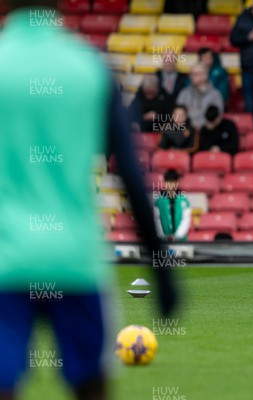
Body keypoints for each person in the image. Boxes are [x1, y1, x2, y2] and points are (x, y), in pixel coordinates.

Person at [0, 1, 177, 399]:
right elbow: (130, 174)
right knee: (91, 386)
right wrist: (162, 270)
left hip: (5, 260)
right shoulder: (91, 67)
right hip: (74, 258)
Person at [176, 63, 223, 131]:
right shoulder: (184, 94)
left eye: (196, 74)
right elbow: (178, 116)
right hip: (186, 132)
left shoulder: (215, 95)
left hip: (207, 132)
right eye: (192, 74)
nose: (192, 77)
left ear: (205, 76)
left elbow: (216, 117)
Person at [154, 170, 192, 242]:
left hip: (181, 242)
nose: (170, 185)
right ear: (164, 182)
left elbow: (186, 220)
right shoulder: (158, 201)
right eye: (168, 182)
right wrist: (162, 236)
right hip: (163, 241)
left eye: (173, 182)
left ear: (177, 182)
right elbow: (156, 220)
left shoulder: (184, 200)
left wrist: (177, 236)